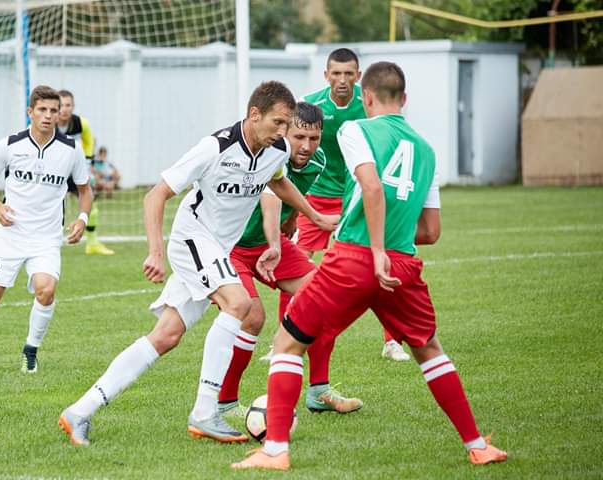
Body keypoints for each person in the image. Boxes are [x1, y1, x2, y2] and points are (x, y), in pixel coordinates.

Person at [231, 62, 508, 470]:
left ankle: (275, 451)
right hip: (403, 264)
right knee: (430, 350)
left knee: (288, 344)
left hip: (355, 257)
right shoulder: (428, 152)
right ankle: (477, 444)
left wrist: (374, 248)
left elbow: (371, 185)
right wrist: (391, 247)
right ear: (405, 100)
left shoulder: (355, 129)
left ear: (367, 98)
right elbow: (431, 231)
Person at [58, 81, 339, 447]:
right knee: (239, 304)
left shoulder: (275, 149)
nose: (285, 133)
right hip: (193, 238)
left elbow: (279, 182)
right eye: (279, 123)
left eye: (288, 125)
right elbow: (155, 194)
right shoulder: (216, 146)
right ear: (254, 115)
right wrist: (156, 252)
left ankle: (79, 411)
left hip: (218, 248)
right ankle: (206, 412)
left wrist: (314, 216)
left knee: (166, 335)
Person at [218, 102, 362, 417]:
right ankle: (226, 404)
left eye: (314, 138)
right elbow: (271, 199)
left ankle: (319, 391)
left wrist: (292, 222)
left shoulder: (318, 161)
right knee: (252, 318)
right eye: (299, 137)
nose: (307, 146)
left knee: (322, 298)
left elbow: (290, 199)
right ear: (284, 132)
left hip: (270, 243)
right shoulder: (270, 153)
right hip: (229, 245)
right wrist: (281, 237)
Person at [0, 85, 92, 374]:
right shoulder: (10, 144)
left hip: (46, 238)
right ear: (30, 112)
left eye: (53, 111)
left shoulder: (71, 149)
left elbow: (85, 190)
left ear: (60, 115)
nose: (47, 116)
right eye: (42, 110)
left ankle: (30, 351)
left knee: (46, 290)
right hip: (10, 235)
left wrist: (82, 218)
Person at [298, 47, 409, 362]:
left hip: (357, 194)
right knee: (297, 262)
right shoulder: (311, 106)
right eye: (336, 73)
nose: (342, 80)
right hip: (318, 193)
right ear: (326, 75)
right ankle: (289, 332)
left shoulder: (371, 105)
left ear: (359, 76)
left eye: (349, 74)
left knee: (381, 261)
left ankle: (392, 341)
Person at [57, 90, 114, 256]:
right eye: (61, 105)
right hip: (56, 173)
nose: (65, 109)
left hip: (75, 172)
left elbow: (89, 142)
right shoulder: (49, 123)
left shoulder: (82, 123)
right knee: (53, 208)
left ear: (73, 106)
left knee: (91, 205)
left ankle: (92, 243)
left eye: (68, 105)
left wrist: (88, 164)